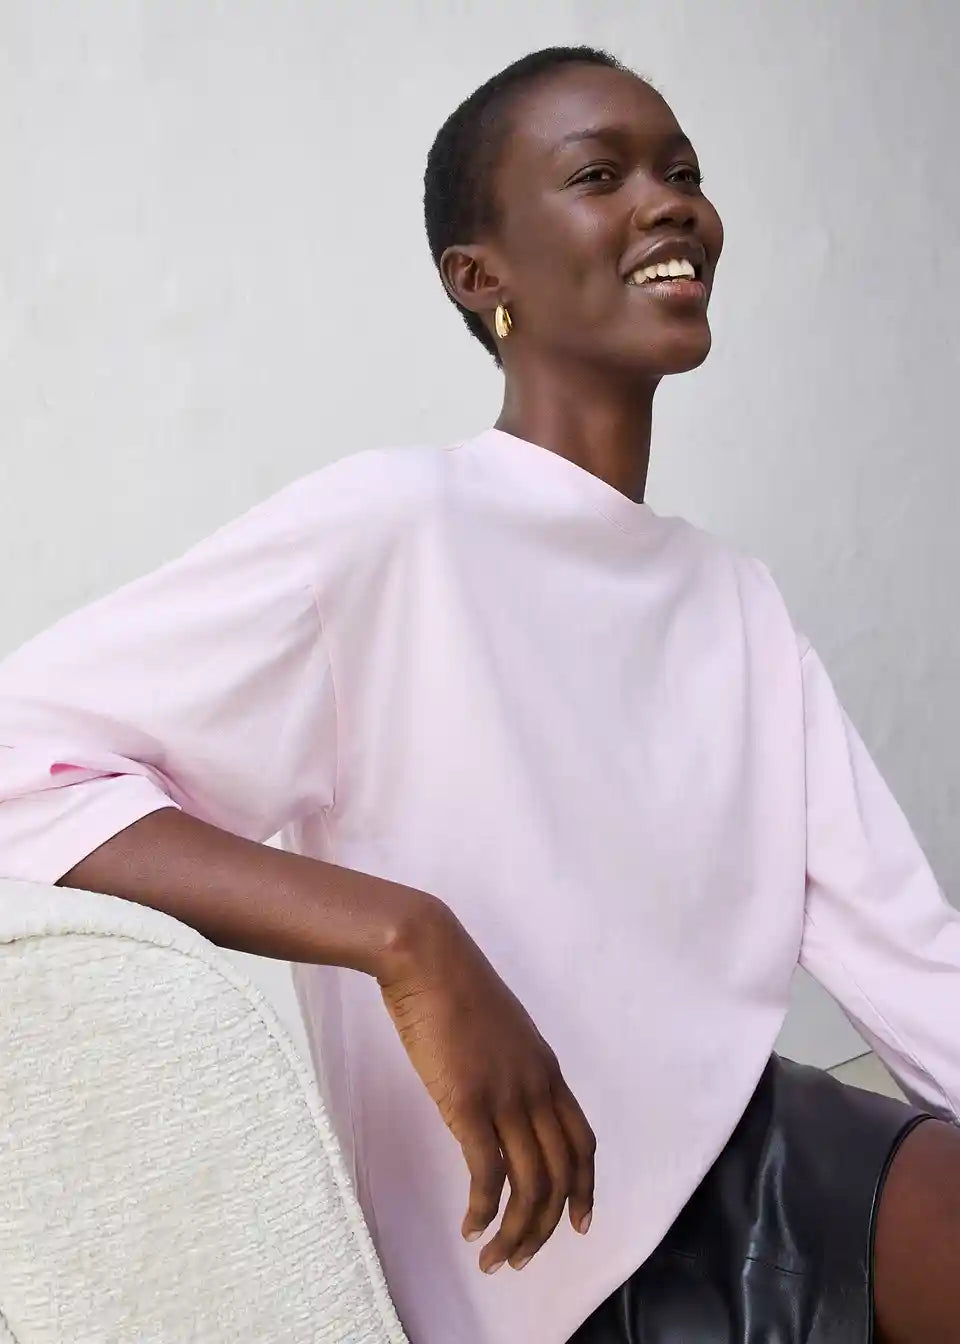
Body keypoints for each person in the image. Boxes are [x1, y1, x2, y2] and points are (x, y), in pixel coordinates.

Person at [0, 43, 958, 1344]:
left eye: (682, 172)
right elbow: (23, 765)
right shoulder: (390, 530)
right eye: (600, 176)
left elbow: (909, 955)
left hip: (765, 1146)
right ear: (479, 275)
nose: (670, 203)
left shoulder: (737, 602)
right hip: (534, 1243)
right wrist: (408, 940)